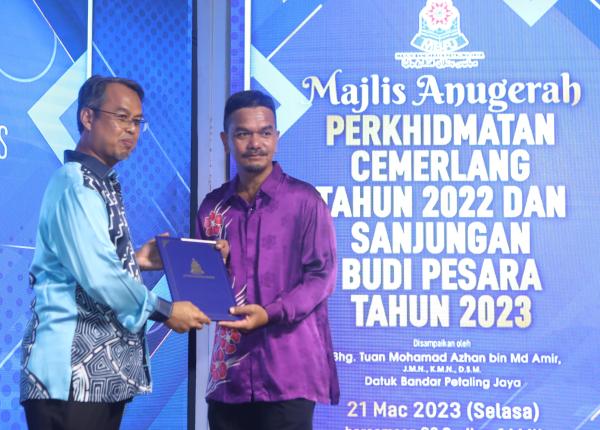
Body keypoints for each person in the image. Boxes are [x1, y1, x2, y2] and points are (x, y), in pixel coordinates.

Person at [20, 75, 216, 430]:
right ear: (88, 117)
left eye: (138, 121)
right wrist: (166, 311)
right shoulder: (76, 185)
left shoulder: (100, 182)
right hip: (70, 376)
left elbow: (85, 264)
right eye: (122, 117)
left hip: (97, 380)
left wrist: (136, 260)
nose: (131, 130)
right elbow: (100, 276)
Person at [196, 90, 339, 430]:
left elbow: (322, 277)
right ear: (226, 140)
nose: (255, 143)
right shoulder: (213, 208)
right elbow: (203, 288)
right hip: (229, 378)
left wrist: (271, 312)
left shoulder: (305, 201)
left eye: (264, 132)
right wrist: (212, 266)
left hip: (289, 376)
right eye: (243, 133)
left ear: (276, 137)